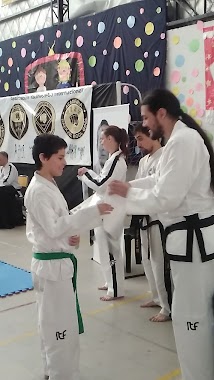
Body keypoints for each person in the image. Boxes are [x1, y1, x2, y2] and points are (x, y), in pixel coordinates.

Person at [108, 89, 214, 380]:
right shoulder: (178, 141)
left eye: (146, 117)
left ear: (161, 114)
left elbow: (166, 198)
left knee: (192, 317)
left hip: (194, 244)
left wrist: (125, 202)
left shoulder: (183, 142)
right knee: (191, 314)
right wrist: (130, 188)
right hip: (190, 243)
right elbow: (159, 180)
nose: (145, 123)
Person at [24, 134, 113, 380]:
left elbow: (54, 228)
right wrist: (91, 212)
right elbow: (53, 228)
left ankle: (55, 371)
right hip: (51, 269)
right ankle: (59, 373)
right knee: (58, 327)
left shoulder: (48, 185)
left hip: (57, 263)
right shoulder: (39, 191)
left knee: (57, 324)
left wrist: (69, 237)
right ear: (43, 158)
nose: (65, 162)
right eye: (60, 157)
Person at [78, 125, 128, 301]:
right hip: (106, 208)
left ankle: (115, 290)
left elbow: (100, 184)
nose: (101, 142)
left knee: (111, 250)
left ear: (110, 139)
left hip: (111, 210)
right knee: (105, 248)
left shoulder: (116, 160)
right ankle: (110, 282)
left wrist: (85, 175)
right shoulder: (113, 160)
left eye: (102, 138)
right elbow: (102, 181)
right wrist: (89, 174)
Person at [133, 124, 170, 322]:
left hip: (158, 218)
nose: (138, 144)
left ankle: (167, 307)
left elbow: (156, 186)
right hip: (144, 215)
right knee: (147, 261)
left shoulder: (165, 156)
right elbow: (138, 188)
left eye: (140, 138)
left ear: (153, 136)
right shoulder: (143, 161)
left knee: (159, 262)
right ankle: (156, 297)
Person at [0, 151, 24, 228]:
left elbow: (7, 182)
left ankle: (5, 222)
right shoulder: (1, 168)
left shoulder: (10, 167)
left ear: (5, 158)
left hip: (13, 191)